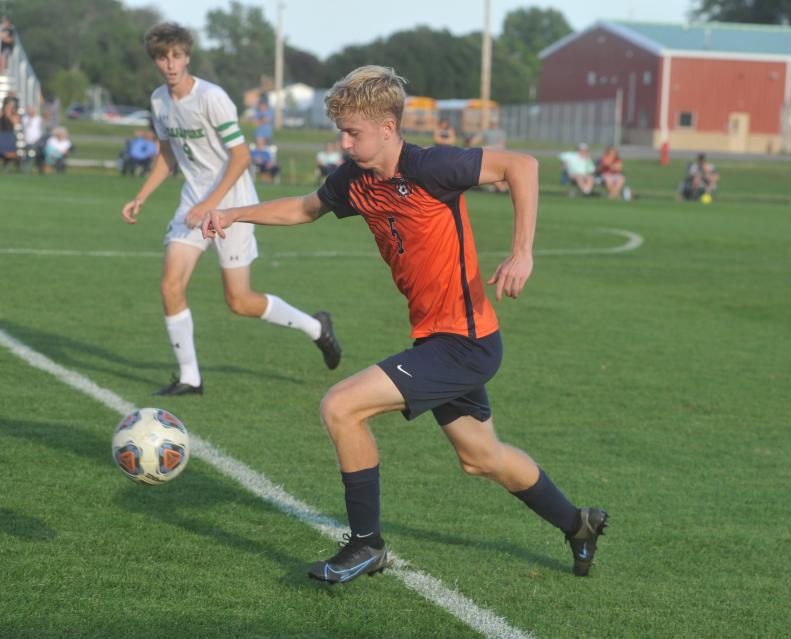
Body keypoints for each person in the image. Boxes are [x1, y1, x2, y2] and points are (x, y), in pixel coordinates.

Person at [201, 65, 608, 583]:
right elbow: (306, 209)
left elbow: (521, 166)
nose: (344, 143)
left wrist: (522, 252)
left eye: (354, 132)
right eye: (342, 132)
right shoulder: (354, 180)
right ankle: (579, 523)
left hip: (464, 342)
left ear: (388, 128)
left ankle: (366, 545)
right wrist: (235, 214)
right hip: (437, 338)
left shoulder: (432, 166)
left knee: (341, 407)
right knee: (481, 458)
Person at [120, 22, 341, 396]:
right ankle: (190, 377)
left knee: (239, 301)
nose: (170, 64)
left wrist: (211, 203)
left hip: (233, 204)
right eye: (162, 57)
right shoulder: (159, 100)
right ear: (155, 61)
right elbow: (168, 152)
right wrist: (142, 195)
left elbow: (241, 156)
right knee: (170, 285)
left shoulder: (212, 97)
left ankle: (316, 328)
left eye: (176, 56)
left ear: (187, 56)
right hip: (193, 204)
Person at [21, 104, 44, 174]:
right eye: (29, 111)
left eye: (32, 111)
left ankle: (36, 168)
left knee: (35, 153)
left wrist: (37, 140)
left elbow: (42, 131)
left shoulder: (39, 119)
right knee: (26, 154)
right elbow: (22, 130)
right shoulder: (24, 119)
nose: (30, 112)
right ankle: (27, 169)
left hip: (36, 141)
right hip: (25, 141)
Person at [0, 96, 19, 171]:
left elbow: (15, 123)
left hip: (10, 135)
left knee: (10, 150)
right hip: (2, 135)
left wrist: (9, 115)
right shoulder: (1, 114)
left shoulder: (14, 115)